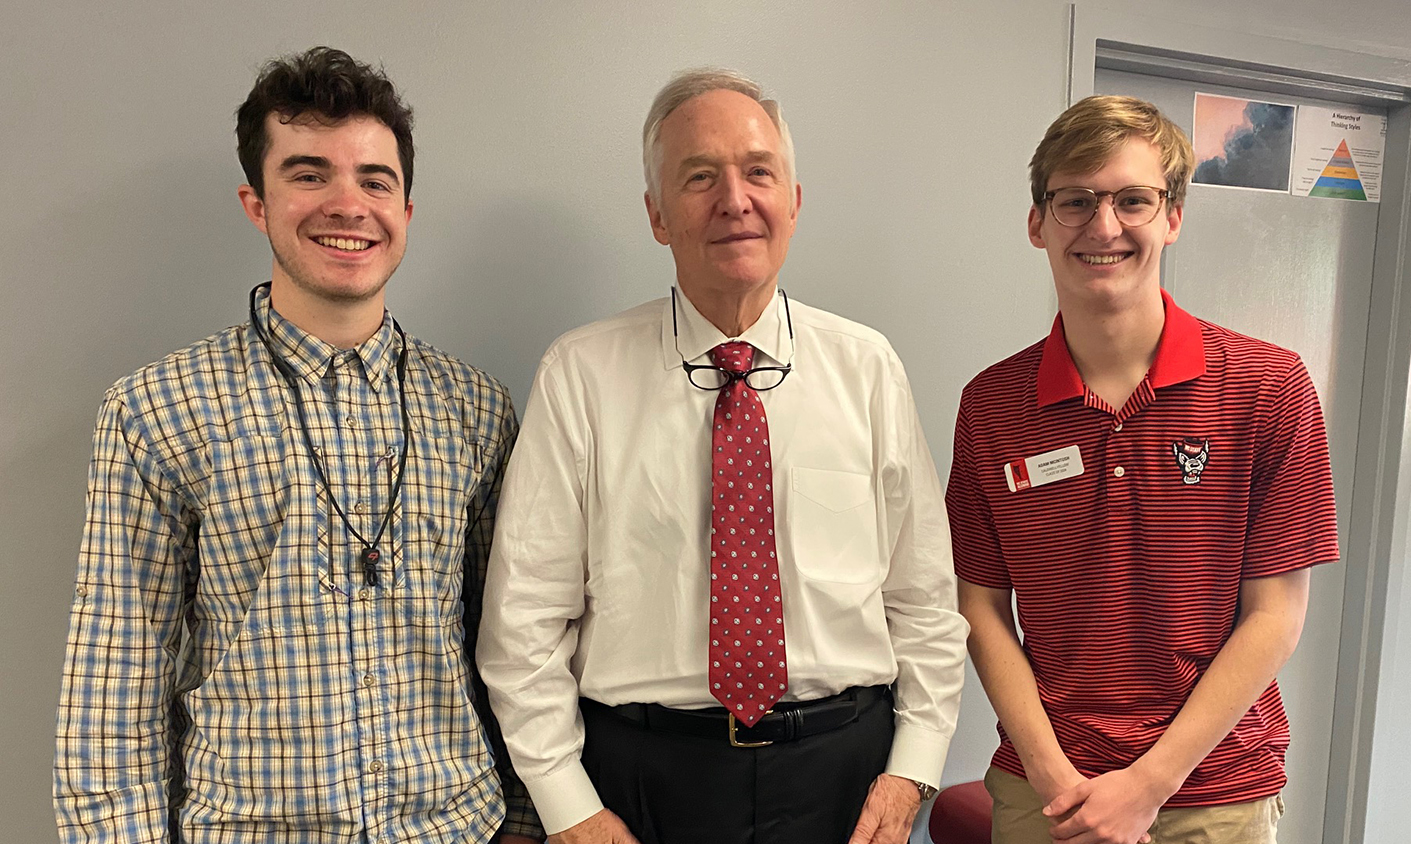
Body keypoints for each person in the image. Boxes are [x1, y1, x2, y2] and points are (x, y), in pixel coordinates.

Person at [53, 46, 540, 844]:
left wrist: (523, 821)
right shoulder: (155, 411)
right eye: (310, 174)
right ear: (257, 201)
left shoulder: (477, 410)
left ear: (407, 211)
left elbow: (511, 643)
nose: (348, 204)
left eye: (375, 180)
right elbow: (116, 679)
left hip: (457, 828)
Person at [477, 68, 968, 844]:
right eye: (699, 177)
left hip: (842, 778)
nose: (735, 199)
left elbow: (925, 604)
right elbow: (523, 624)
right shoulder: (580, 374)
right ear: (657, 215)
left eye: (758, 172)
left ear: (795, 203)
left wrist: (912, 769)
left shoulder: (868, 367)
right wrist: (568, 805)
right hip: (640, 785)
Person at [947, 95, 1340, 844]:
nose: (1104, 226)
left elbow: (1276, 616)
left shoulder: (1268, 388)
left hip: (1215, 793)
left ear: (1173, 217)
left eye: (1133, 200)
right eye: (1075, 201)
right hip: (1046, 791)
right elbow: (982, 608)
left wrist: (1148, 785)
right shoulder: (992, 404)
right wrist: (1055, 774)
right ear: (1037, 222)